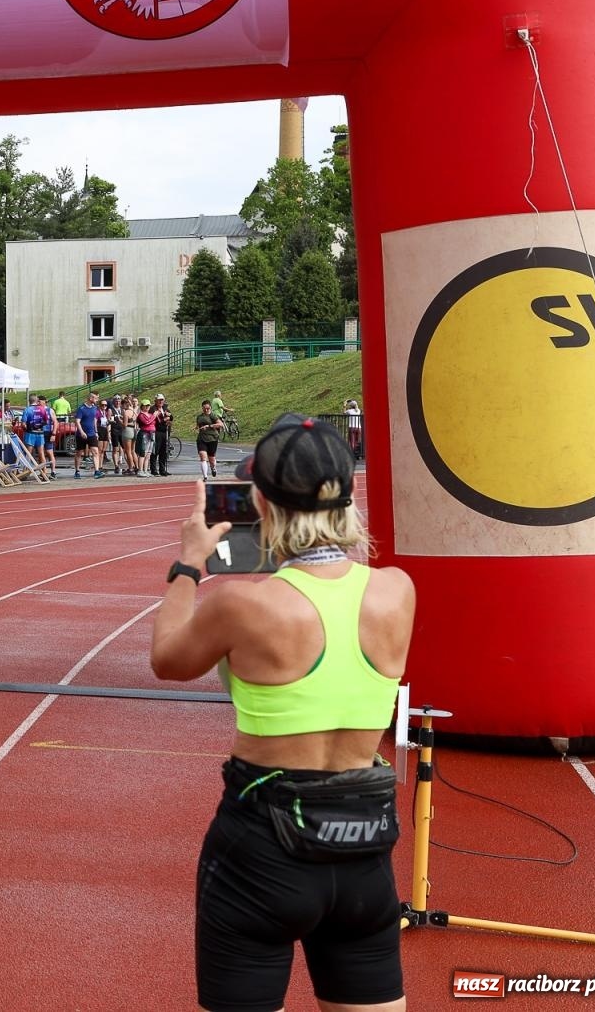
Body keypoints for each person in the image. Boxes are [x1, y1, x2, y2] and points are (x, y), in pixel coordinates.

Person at [150, 414, 416, 1012]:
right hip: (361, 843)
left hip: (261, 848)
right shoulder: (397, 590)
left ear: (261, 503)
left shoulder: (241, 603)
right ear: (348, 494)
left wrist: (189, 564)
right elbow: (334, 580)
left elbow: (167, 660)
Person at [74, 391, 102, 478]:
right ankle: (77, 471)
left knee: (95, 451)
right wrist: (82, 432)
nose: (97, 400)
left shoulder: (95, 408)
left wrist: (96, 432)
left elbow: (94, 420)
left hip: (91, 434)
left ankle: (97, 471)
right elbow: (77, 421)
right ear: (91, 398)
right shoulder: (81, 408)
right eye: (96, 398)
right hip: (81, 435)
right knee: (79, 453)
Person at [196, 399, 223, 479]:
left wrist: (209, 426)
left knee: (211, 459)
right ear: (202, 408)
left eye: (208, 408)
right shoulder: (199, 417)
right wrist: (196, 428)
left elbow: (220, 424)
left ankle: (213, 468)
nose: (206, 410)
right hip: (201, 439)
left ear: (210, 408)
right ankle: (205, 476)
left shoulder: (213, 415)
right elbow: (199, 425)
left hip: (212, 439)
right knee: (202, 456)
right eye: (204, 408)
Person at [151, 393, 172, 477]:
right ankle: (153, 470)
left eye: (162, 400)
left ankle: (162, 470)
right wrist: (165, 419)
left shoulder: (165, 408)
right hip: (157, 431)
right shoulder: (153, 409)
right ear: (155, 401)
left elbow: (171, 417)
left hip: (164, 431)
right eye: (159, 400)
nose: (161, 402)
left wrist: (169, 417)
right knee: (155, 451)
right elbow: (157, 421)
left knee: (163, 451)